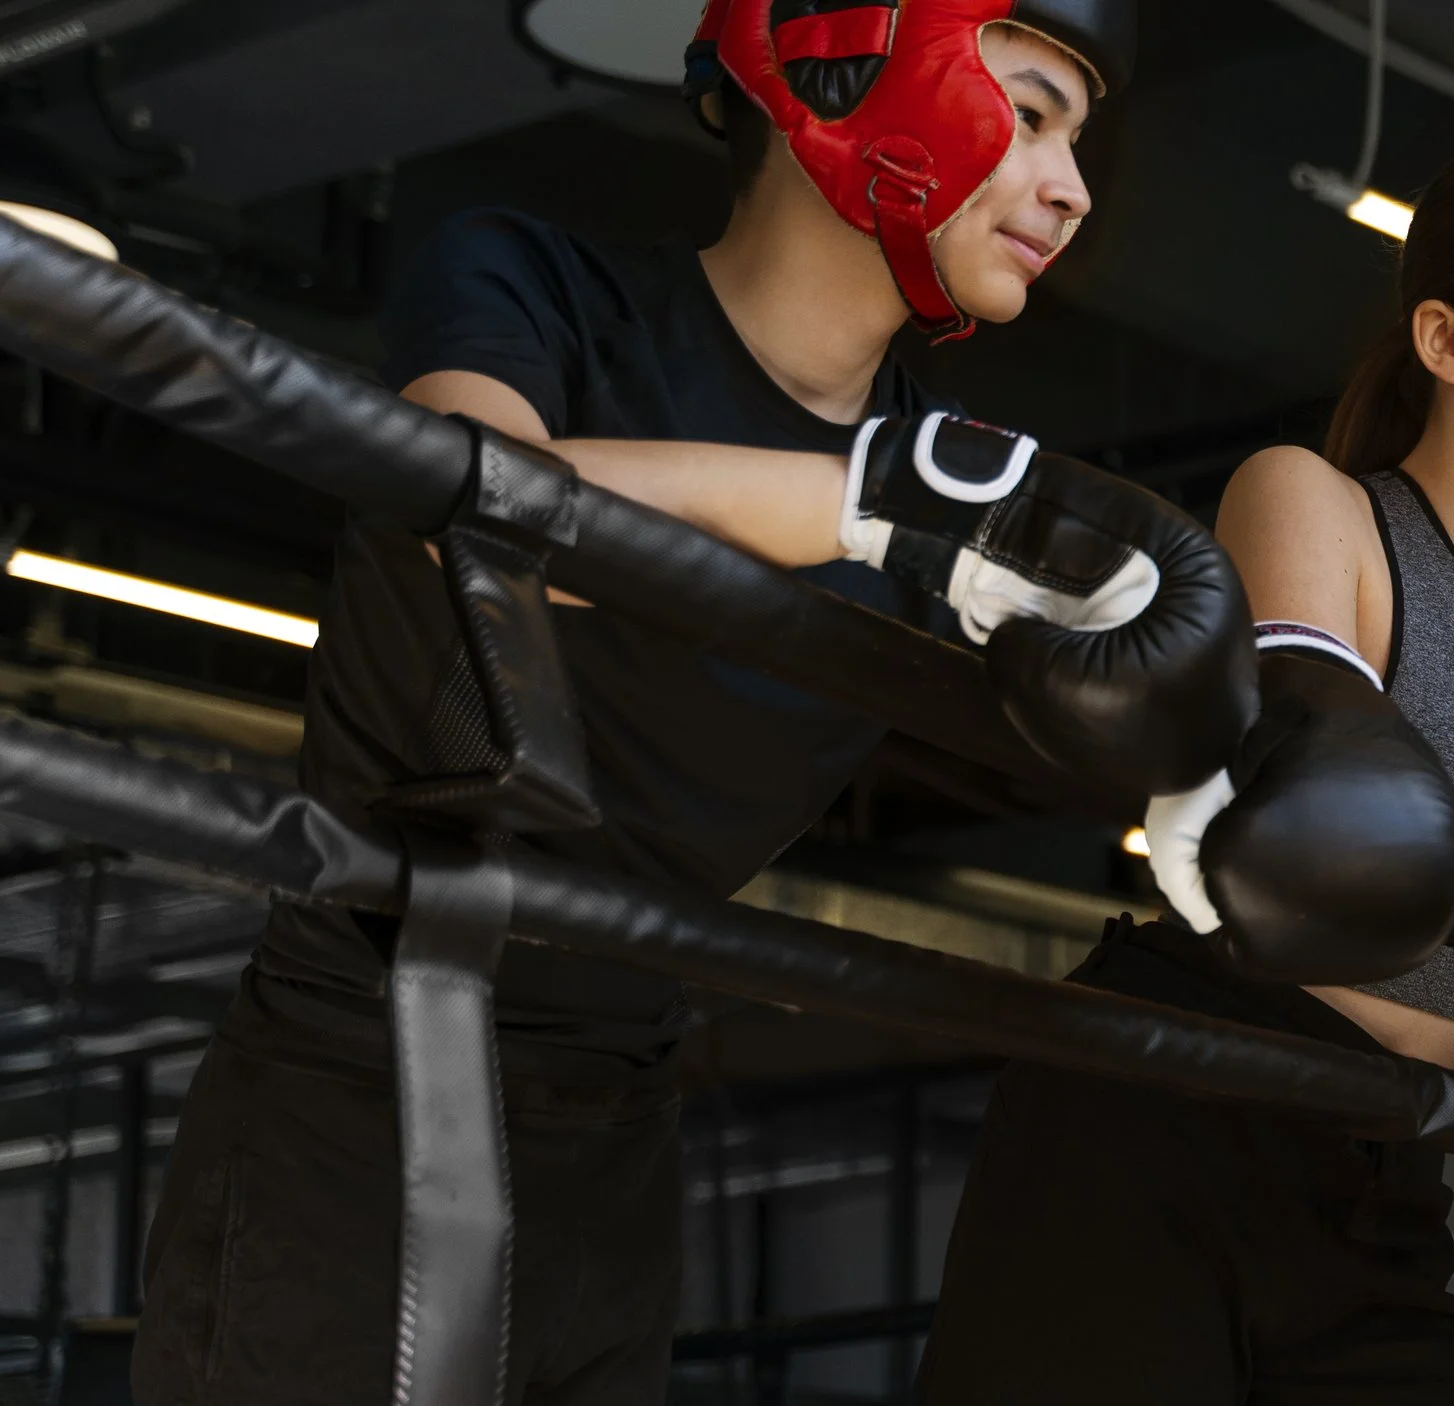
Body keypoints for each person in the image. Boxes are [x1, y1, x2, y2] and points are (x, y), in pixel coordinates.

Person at [130, 5, 1149, 1404]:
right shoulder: (535, 286)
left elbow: (1122, 748)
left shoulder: (948, 497)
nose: (1072, 190)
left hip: (617, 1120)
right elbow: (482, 509)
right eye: (1030, 115)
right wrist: (867, 508)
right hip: (360, 1065)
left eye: (1078, 141)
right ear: (847, 74)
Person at [919, 143, 1454, 1405]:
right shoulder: (1311, 502)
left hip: (1386, 1147)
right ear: (1445, 341)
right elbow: (1320, 814)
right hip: (1173, 1091)